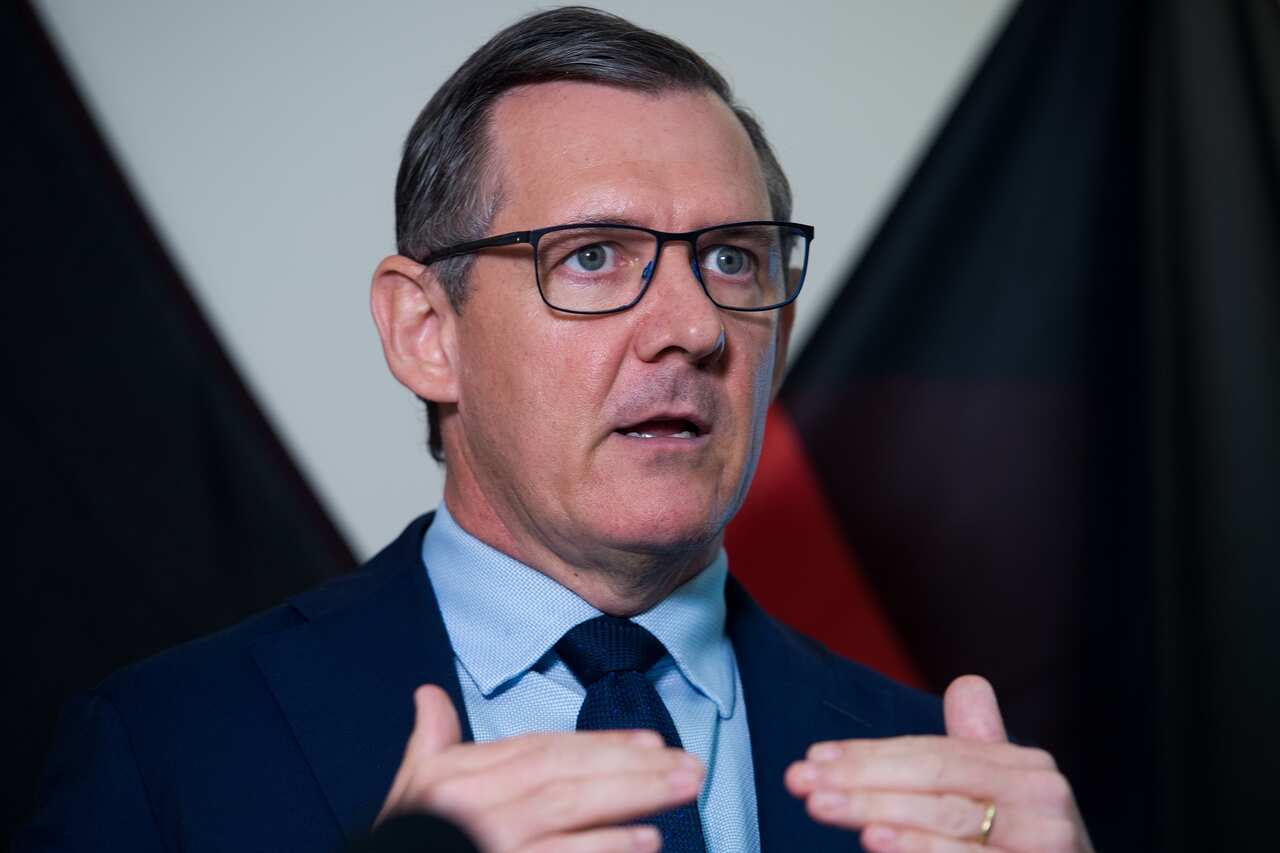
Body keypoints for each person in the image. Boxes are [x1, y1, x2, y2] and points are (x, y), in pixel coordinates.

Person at [18, 8, 1093, 853]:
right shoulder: (164, 745)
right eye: (591, 256)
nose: (691, 328)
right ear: (425, 330)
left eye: (730, 260)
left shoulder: (941, 772)